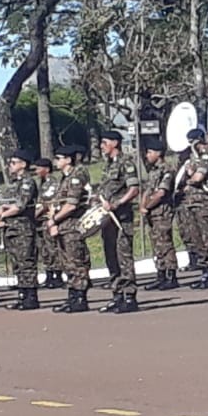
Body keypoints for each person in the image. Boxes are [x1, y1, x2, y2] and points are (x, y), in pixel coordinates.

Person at [96, 130, 142, 313]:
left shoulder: (126, 163)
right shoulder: (108, 166)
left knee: (124, 257)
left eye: (104, 142)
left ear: (115, 143)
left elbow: (134, 189)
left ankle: (130, 297)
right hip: (107, 221)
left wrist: (116, 204)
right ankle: (117, 295)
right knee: (111, 257)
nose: (102, 146)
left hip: (121, 219)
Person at [50, 147, 94, 312]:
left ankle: (80, 298)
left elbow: (71, 205)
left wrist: (54, 220)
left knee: (76, 262)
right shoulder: (64, 179)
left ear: (68, 160)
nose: (56, 161)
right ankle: (72, 296)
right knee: (67, 263)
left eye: (59, 158)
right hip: (63, 226)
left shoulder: (75, 177)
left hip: (73, 226)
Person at [181, 130, 208, 290]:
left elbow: (198, 177)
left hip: (204, 203)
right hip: (192, 202)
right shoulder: (192, 158)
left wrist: (190, 179)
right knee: (196, 238)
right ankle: (205, 271)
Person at [0, 149, 41, 310]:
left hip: (23, 227)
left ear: (23, 164)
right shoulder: (14, 183)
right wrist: (0, 214)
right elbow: (5, 203)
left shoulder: (27, 182)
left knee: (26, 262)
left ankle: (31, 296)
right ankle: (22, 294)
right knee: (17, 263)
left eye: (14, 162)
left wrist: (4, 215)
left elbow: (20, 205)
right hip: (11, 228)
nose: (10, 165)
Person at [141, 139, 180, 291]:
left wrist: (148, 206)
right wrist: (143, 206)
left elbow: (161, 193)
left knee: (165, 244)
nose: (147, 155)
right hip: (152, 214)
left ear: (159, 153)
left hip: (162, 212)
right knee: (156, 246)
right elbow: (147, 191)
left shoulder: (166, 170)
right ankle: (161, 275)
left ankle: (171, 276)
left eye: (150, 152)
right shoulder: (153, 171)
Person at [33, 154, 62, 290]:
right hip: (40, 222)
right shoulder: (41, 183)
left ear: (47, 169)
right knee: (44, 249)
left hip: (48, 219)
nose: (36, 171)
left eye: (39, 168)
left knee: (52, 248)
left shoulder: (53, 183)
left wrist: (34, 215)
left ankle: (57, 275)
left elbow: (46, 203)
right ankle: (49, 274)